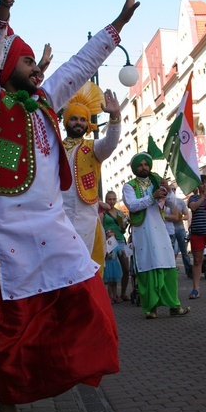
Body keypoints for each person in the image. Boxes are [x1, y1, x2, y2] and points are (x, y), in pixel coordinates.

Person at [0, 0, 140, 412]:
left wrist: (115, 28)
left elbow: (78, 66)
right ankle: (5, 411)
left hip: (53, 228)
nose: (38, 70)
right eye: (29, 62)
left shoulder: (46, 105)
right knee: (13, 326)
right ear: (9, 67)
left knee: (88, 301)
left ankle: (70, 369)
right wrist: (1, 16)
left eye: (36, 64)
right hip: (8, 232)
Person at [61, 83, 121, 278]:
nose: (78, 123)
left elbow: (110, 143)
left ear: (88, 124)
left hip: (84, 217)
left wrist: (114, 118)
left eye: (82, 119)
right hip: (57, 216)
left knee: (85, 269)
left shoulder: (93, 147)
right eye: (74, 119)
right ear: (65, 122)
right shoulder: (54, 147)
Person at [122, 152, 190, 319]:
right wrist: (152, 197)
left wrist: (167, 191)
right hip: (143, 232)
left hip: (161, 231)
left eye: (146, 164)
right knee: (146, 267)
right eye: (140, 165)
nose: (144, 167)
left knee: (167, 265)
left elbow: (173, 205)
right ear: (134, 168)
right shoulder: (129, 186)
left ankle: (174, 306)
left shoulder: (156, 183)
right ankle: (151, 308)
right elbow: (132, 205)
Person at [103, 190, 130, 300]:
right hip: (109, 241)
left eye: (114, 199)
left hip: (120, 240)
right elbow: (99, 227)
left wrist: (124, 226)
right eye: (109, 199)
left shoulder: (120, 213)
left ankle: (123, 293)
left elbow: (122, 230)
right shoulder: (103, 213)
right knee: (112, 267)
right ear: (106, 200)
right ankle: (112, 295)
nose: (112, 201)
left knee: (126, 268)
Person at [169, 185, 193, 279]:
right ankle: (171, 271)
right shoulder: (165, 202)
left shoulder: (180, 202)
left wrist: (180, 218)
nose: (173, 191)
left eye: (174, 189)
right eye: (171, 189)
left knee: (184, 251)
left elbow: (187, 215)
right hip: (170, 230)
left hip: (180, 229)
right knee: (171, 252)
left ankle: (188, 271)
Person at [104, 229, 123, 304]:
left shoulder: (116, 245)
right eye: (109, 237)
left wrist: (122, 253)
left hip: (115, 265)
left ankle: (115, 296)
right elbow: (104, 255)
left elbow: (119, 254)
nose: (111, 239)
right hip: (109, 265)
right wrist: (106, 255)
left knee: (115, 282)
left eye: (112, 237)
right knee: (110, 283)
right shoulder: (105, 245)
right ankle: (109, 297)